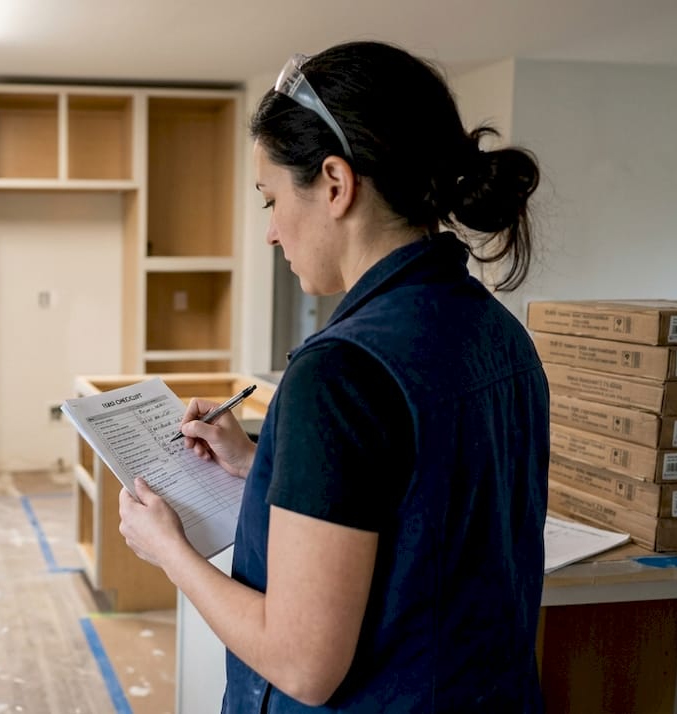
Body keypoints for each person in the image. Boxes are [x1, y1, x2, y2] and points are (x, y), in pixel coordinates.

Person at [117, 41, 548, 712]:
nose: (271, 233)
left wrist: (169, 550)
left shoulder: (339, 372)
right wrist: (259, 463)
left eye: (270, 201)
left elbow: (301, 663)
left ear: (336, 185)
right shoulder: (500, 334)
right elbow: (409, 507)